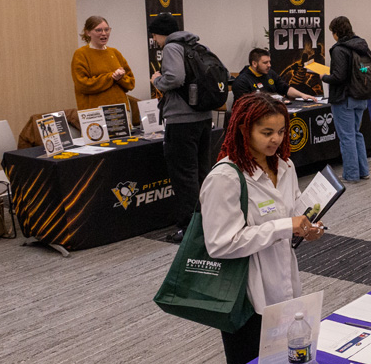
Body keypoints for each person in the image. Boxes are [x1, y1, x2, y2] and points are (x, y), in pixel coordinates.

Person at [200, 93, 323, 364]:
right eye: (266, 132)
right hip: (246, 295)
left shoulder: (285, 166)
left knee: (283, 362)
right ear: (245, 130)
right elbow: (220, 244)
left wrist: (306, 228)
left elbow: (292, 212)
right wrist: (285, 226)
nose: (276, 139)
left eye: (281, 132)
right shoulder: (226, 178)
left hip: (284, 284)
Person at [149, 12, 215, 244]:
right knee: (201, 172)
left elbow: (175, 78)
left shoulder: (171, 47)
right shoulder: (195, 45)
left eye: (155, 36)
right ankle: (208, 221)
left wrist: (157, 80)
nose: (155, 41)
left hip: (182, 120)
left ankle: (189, 228)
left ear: (159, 33)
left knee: (184, 176)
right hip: (204, 117)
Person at [320, 16, 371, 182]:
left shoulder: (339, 49)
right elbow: (366, 70)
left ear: (336, 33)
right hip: (361, 95)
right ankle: (363, 171)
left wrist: (324, 77)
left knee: (347, 137)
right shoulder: (362, 45)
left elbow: (339, 77)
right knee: (356, 134)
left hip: (344, 98)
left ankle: (351, 174)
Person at [71, 15, 136, 110]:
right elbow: (82, 85)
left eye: (107, 29)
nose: (104, 33)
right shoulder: (81, 54)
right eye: (98, 30)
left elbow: (131, 83)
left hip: (120, 111)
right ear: (88, 32)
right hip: (95, 113)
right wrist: (111, 77)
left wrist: (119, 78)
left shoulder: (115, 52)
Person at [231, 48, 313, 101]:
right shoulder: (241, 81)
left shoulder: (270, 73)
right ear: (254, 63)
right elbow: (245, 105)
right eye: (265, 63)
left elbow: (285, 88)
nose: (269, 65)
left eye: (269, 61)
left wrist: (302, 95)